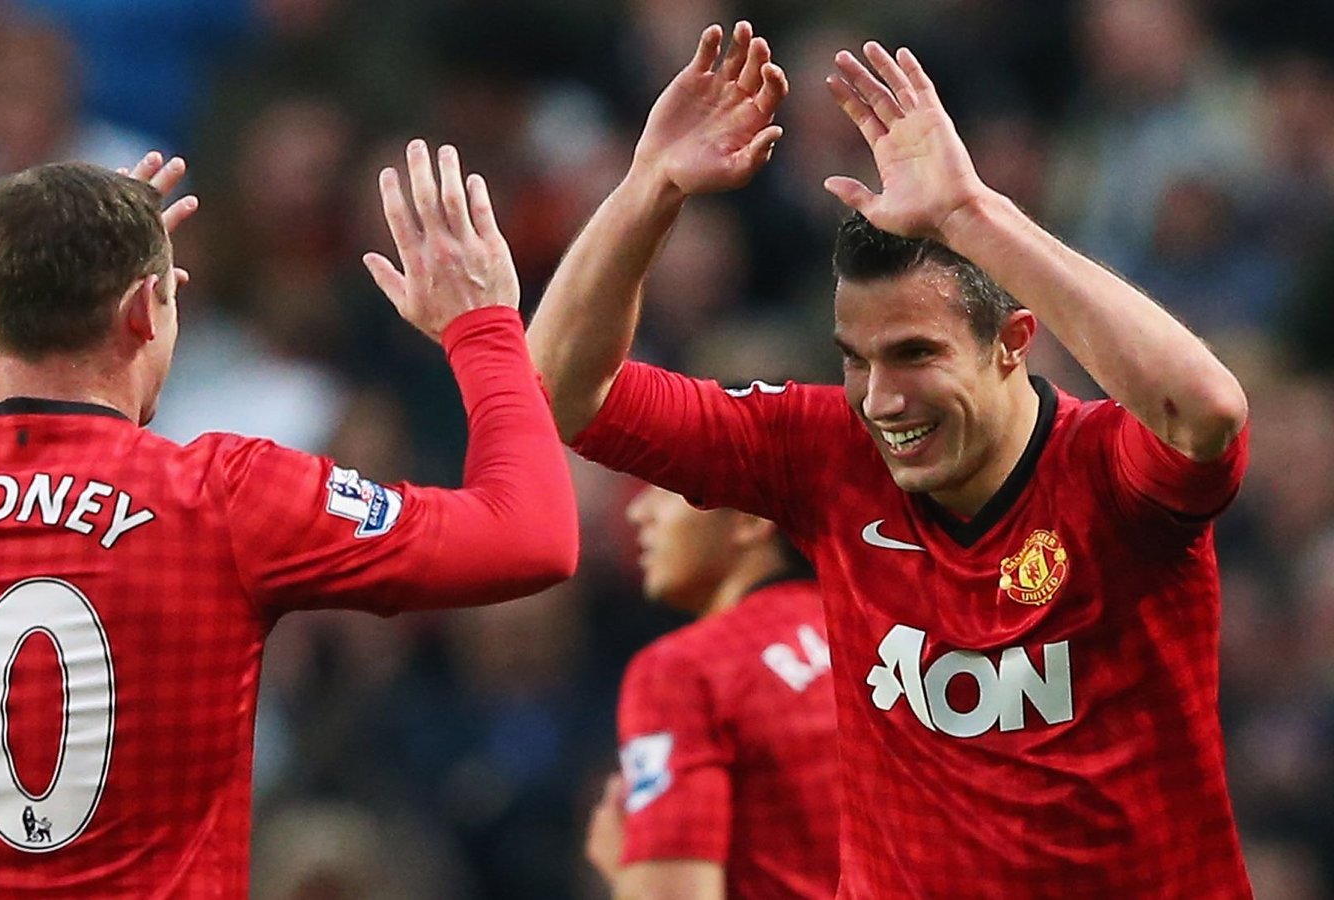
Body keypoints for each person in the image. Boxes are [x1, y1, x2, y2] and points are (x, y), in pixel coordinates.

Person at [529, 21, 1251, 897]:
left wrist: (972, 216)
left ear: (1013, 343)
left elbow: (1206, 411)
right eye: (856, 360)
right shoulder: (823, 452)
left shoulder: (1112, 470)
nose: (881, 400)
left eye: (915, 355)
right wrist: (651, 189)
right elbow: (563, 391)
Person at [0, 141, 579, 896]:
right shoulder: (219, 494)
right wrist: (484, 327)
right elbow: (530, 536)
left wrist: (41, 301)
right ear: (147, 308)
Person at [585, 485, 838, 899]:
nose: (637, 512)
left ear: (750, 520)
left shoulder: (687, 670)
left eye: (663, 490)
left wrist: (630, 871)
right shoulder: (887, 633)